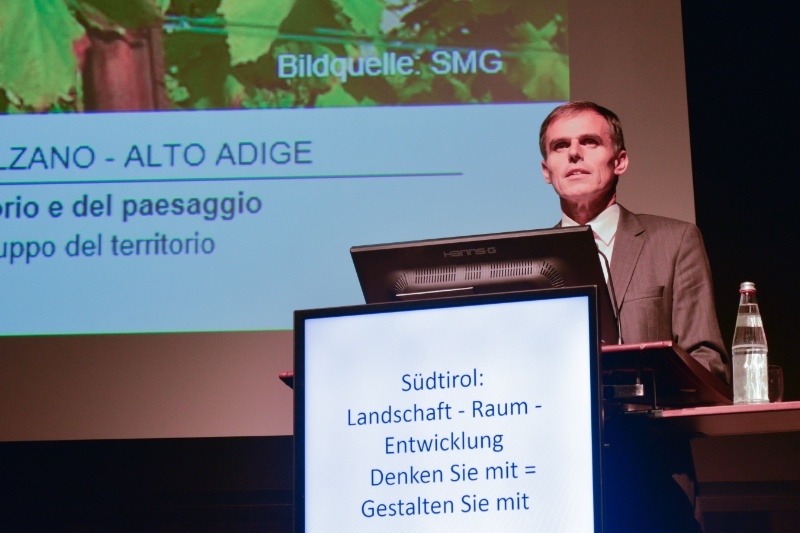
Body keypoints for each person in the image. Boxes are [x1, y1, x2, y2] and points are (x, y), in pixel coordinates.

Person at [539, 101, 731, 533]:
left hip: (653, 473)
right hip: (557, 482)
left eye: (590, 142)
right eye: (560, 146)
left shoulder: (674, 241)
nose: (574, 153)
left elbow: (709, 362)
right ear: (547, 171)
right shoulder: (528, 260)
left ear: (620, 161)